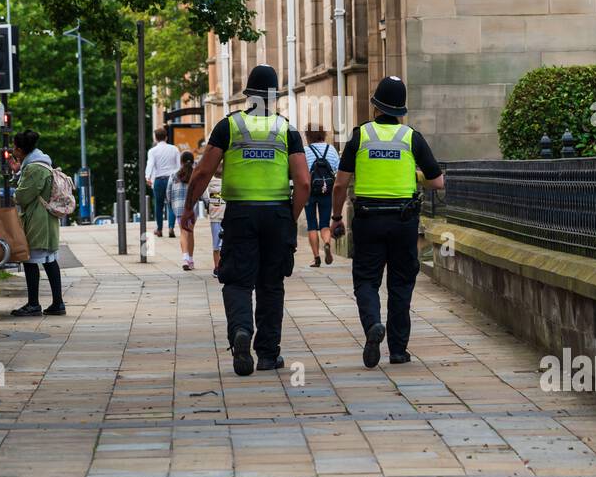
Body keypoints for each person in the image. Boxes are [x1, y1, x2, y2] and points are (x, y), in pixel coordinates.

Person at [180, 65, 310, 376]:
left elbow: (201, 173)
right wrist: (290, 217)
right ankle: (267, 354)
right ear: (275, 97)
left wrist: (188, 209)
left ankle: (240, 331)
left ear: (248, 95)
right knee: (271, 283)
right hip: (277, 213)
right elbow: (303, 182)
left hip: (239, 214)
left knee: (237, 279)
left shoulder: (229, 127)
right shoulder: (287, 129)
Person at [331, 75, 445, 368]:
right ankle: (398, 350)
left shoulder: (360, 137)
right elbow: (438, 182)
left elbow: (340, 184)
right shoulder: (411, 138)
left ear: (375, 106)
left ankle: (372, 325)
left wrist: (334, 218)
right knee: (401, 283)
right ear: (401, 110)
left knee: (366, 281)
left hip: (368, 220)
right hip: (403, 221)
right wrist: (415, 175)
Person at [11, 129, 65, 317]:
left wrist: (15, 193)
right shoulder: (41, 163)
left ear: (20, 150)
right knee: (50, 260)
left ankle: (34, 304)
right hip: (45, 218)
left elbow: (23, 196)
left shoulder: (34, 168)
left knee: (30, 260)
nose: (13, 151)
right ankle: (58, 303)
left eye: (14, 148)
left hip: (37, 219)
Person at [303, 126, 339, 268]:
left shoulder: (305, 151)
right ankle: (327, 243)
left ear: (308, 136)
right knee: (324, 224)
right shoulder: (331, 150)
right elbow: (337, 169)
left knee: (312, 225)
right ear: (323, 135)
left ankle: (316, 258)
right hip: (327, 191)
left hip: (309, 192)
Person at [145, 127, 182, 238]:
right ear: (166, 137)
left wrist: (148, 178)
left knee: (159, 205)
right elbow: (178, 166)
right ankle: (171, 227)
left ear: (155, 138)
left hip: (159, 180)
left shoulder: (152, 151)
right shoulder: (174, 149)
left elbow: (150, 165)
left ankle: (159, 229)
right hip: (172, 180)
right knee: (171, 205)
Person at [166, 150, 200, 270]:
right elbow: (201, 191)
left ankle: (185, 258)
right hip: (192, 208)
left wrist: (171, 205)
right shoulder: (195, 175)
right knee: (190, 233)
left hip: (179, 209)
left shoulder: (174, 175)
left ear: (181, 162)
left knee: (183, 233)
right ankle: (190, 259)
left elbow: (168, 192)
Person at [206, 160, 226, 278]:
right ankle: (225, 265)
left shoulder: (210, 184)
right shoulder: (228, 183)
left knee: (215, 244)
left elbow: (205, 197)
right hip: (226, 216)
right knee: (226, 243)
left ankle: (216, 267)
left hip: (214, 216)